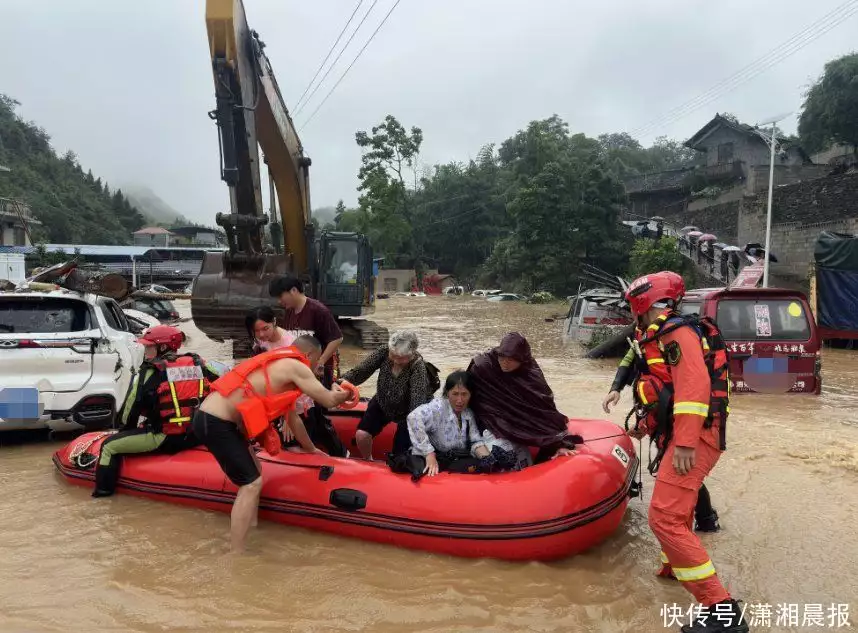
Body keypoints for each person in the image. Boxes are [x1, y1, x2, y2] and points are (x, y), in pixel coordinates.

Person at [624, 271, 747, 633]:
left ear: (644, 303)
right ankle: (673, 567)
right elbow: (665, 394)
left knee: (664, 518)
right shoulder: (660, 336)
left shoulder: (676, 334)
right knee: (679, 510)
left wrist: (686, 442)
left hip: (694, 437)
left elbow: (693, 389)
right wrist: (644, 427)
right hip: (682, 434)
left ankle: (721, 611)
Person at [192, 335, 352, 553]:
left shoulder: (278, 367)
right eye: (317, 361)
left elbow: (293, 419)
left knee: (256, 471)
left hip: (211, 419)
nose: (316, 367)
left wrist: (311, 450)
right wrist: (346, 395)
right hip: (217, 422)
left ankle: (253, 528)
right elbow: (328, 400)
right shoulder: (297, 366)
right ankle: (236, 552)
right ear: (310, 355)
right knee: (251, 484)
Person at [603, 346, 721, 536]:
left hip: (679, 419)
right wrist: (616, 389)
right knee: (680, 472)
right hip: (660, 416)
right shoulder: (643, 338)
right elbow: (630, 366)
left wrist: (685, 441)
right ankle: (702, 522)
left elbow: (688, 389)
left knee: (685, 472)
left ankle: (706, 522)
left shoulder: (674, 338)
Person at [92, 325, 222, 498]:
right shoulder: (199, 363)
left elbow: (131, 407)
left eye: (149, 347)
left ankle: (102, 496)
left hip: (166, 437)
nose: (145, 351)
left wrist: (124, 431)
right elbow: (223, 385)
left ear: (162, 347)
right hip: (197, 435)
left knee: (108, 447)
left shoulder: (151, 370)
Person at [245, 306, 348, 457]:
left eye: (265, 328)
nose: (261, 334)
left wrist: (288, 415)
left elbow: (299, 380)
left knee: (305, 438)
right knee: (315, 434)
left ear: (274, 322)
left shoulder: (292, 344)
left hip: (298, 401)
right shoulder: (260, 344)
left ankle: (337, 460)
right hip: (279, 402)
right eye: (257, 331)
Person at [467, 332, 577, 466]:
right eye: (502, 357)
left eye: (511, 359)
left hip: (517, 419)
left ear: (522, 359)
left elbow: (545, 409)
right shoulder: (484, 366)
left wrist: (558, 442)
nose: (505, 363)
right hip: (492, 418)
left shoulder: (531, 374)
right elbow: (467, 394)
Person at [341, 330, 433, 459]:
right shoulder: (384, 351)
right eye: (393, 355)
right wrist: (342, 382)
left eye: (400, 358)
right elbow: (362, 371)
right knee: (361, 435)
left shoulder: (418, 367)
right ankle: (368, 461)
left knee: (400, 453)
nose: (395, 361)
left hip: (407, 412)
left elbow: (416, 405)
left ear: (411, 355)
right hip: (383, 400)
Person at [406, 370, 488, 476]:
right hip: (437, 458)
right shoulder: (438, 407)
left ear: (470, 394)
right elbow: (413, 417)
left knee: (483, 465)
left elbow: (475, 442)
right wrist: (429, 454)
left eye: (464, 394)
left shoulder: (468, 414)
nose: (459, 400)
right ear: (447, 393)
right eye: (455, 394)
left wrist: (487, 459)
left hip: (455, 458)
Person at [268, 275, 343, 387]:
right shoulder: (289, 312)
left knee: (321, 403)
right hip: (299, 371)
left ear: (293, 290)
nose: (279, 301)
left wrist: (321, 361)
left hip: (319, 373)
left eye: (280, 296)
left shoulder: (318, 310)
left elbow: (337, 338)